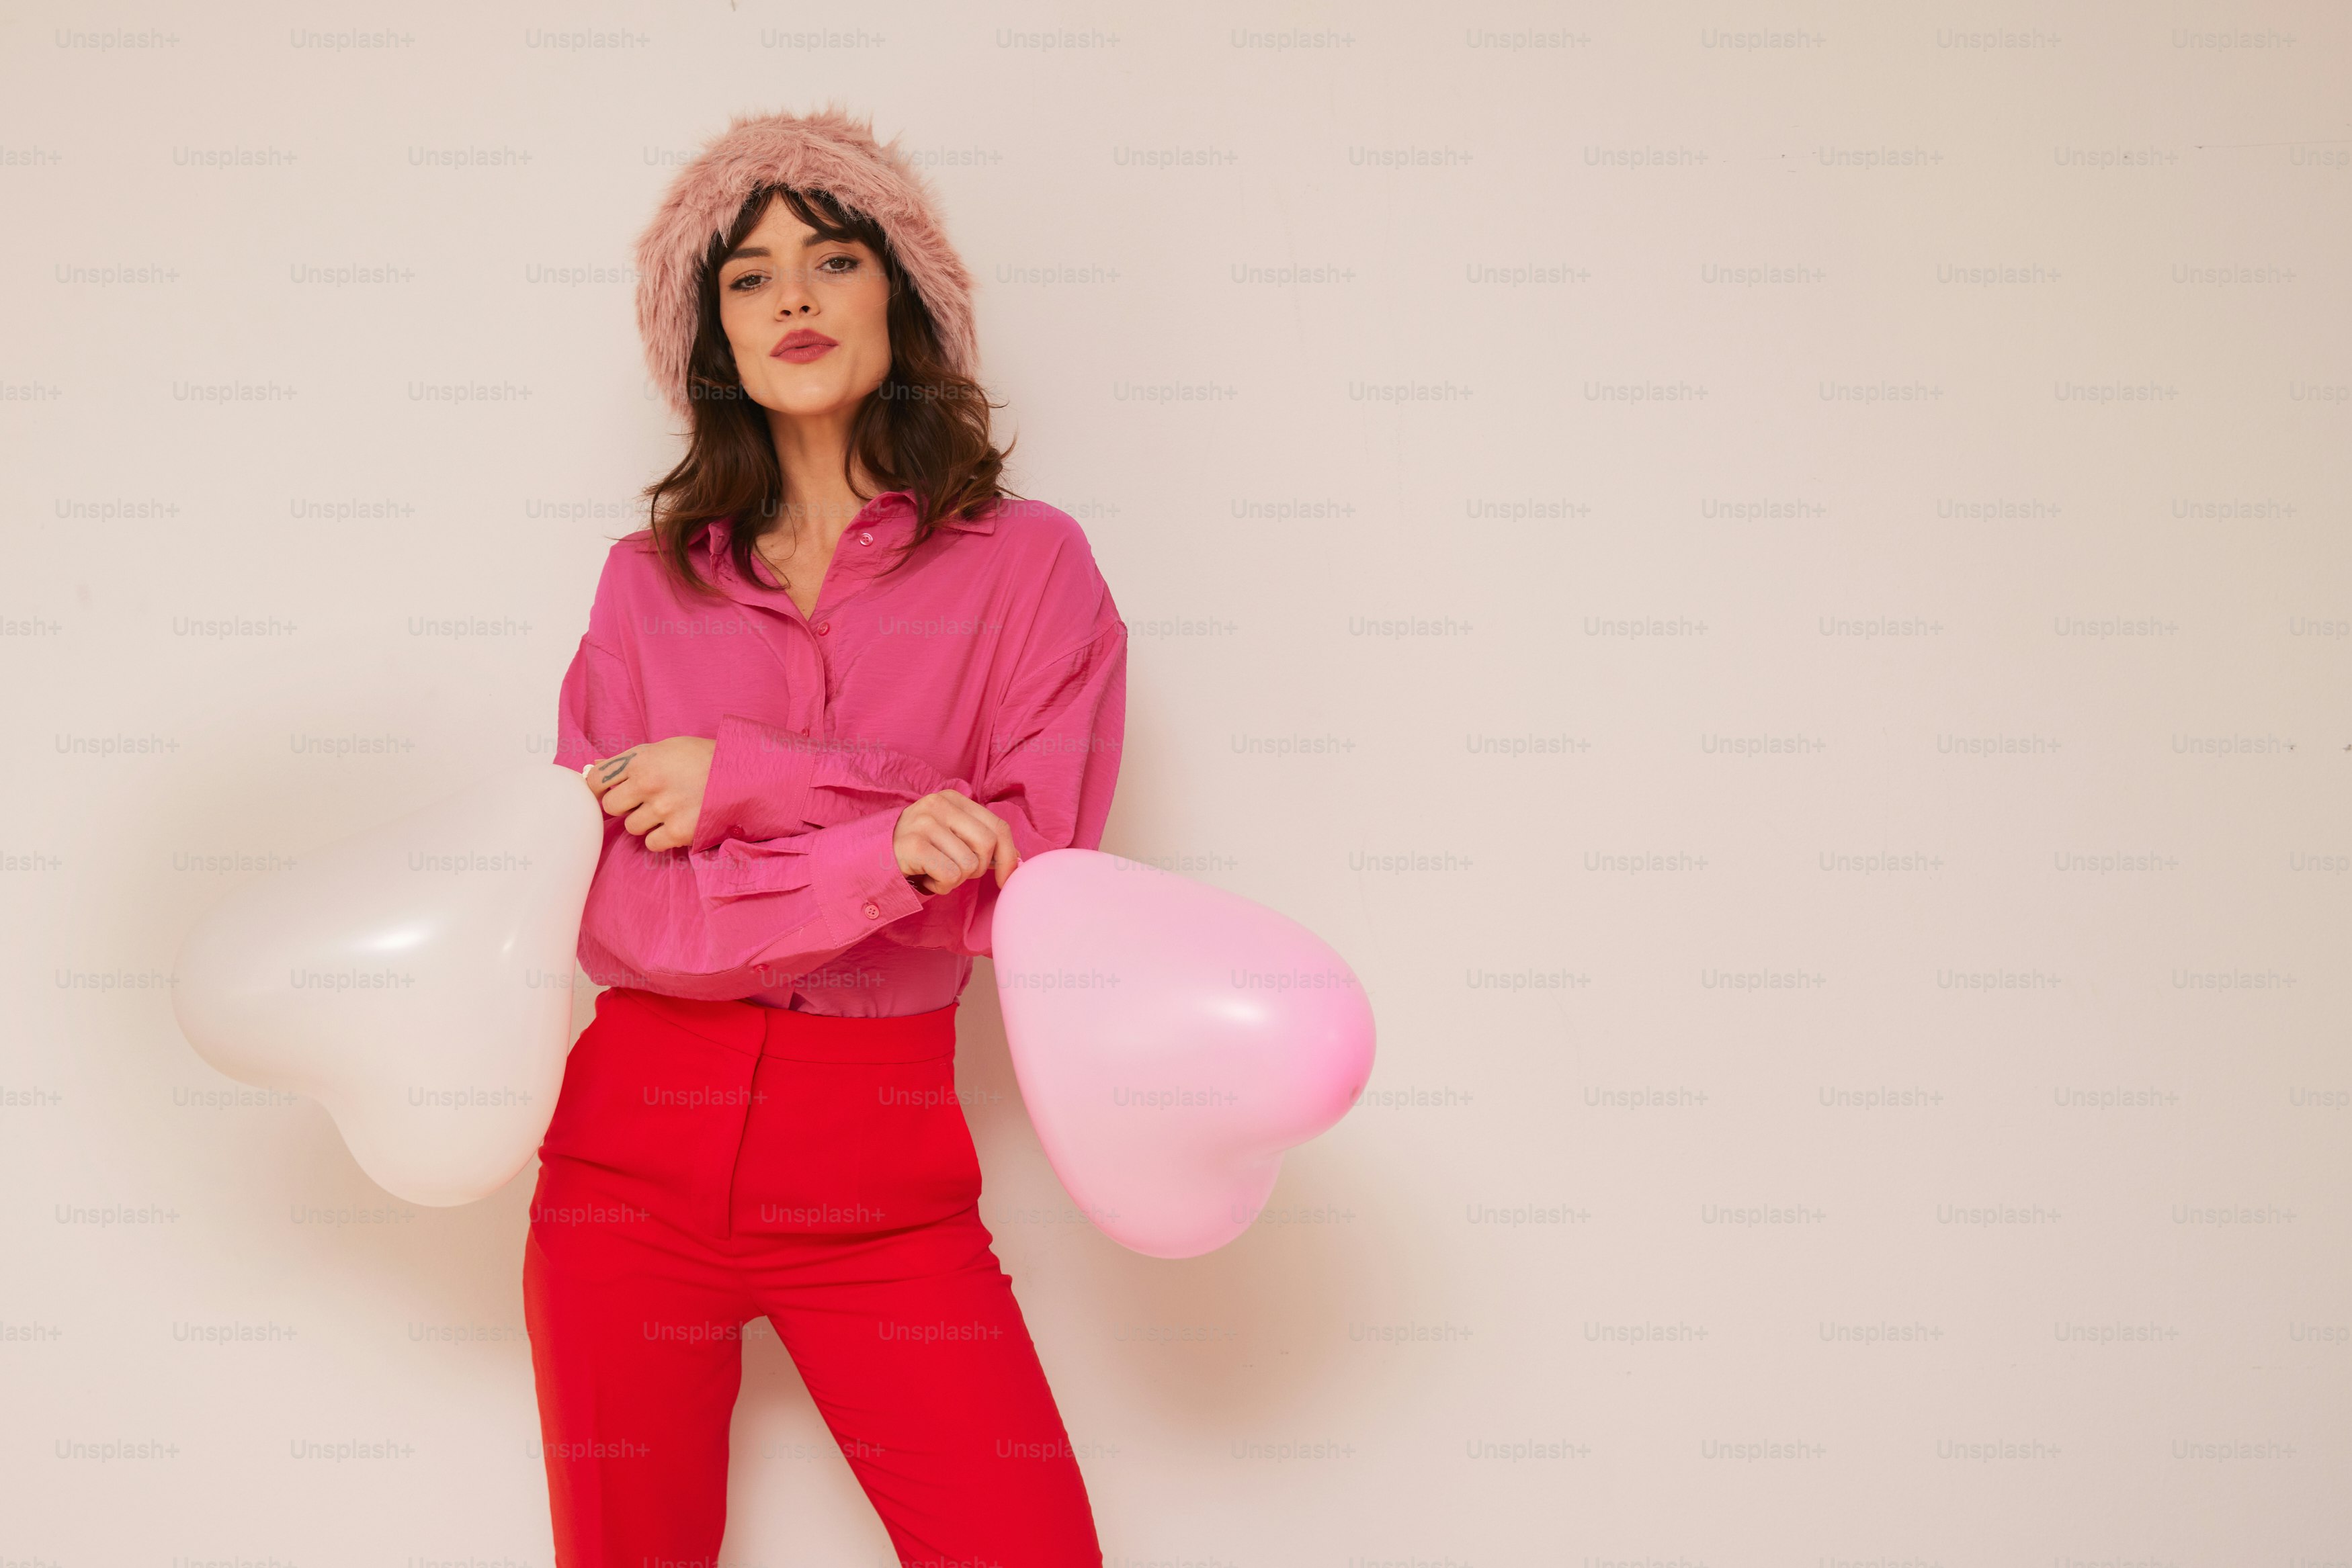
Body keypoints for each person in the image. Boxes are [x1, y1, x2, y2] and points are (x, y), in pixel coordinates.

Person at [524, 107, 1123, 1568]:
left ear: (900, 296)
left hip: (887, 1193)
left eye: (833, 257)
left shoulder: (1032, 568)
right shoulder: (640, 587)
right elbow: (610, 908)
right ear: (708, 334)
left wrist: (744, 782)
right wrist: (877, 840)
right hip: (625, 1178)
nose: (791, 297)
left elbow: (1018, 878)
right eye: (746, 276)